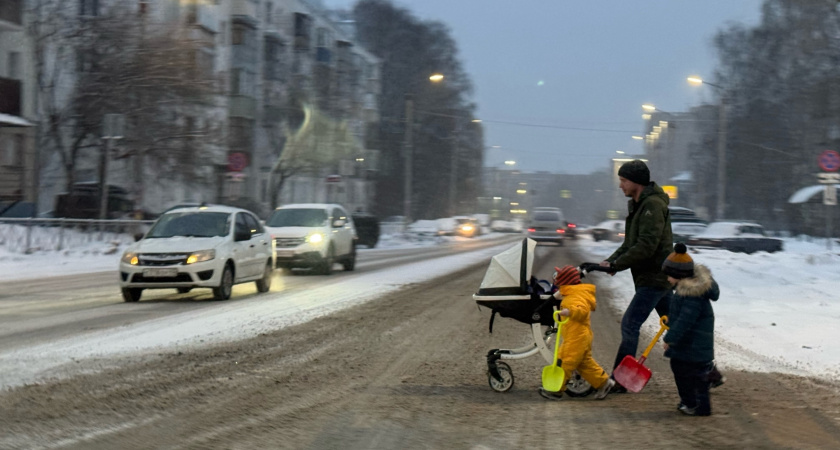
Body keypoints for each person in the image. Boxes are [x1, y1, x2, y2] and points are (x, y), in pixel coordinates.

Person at [599, 159, 673, 392]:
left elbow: (646, 246)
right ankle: (708, 372)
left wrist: (617, 265)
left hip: (655, 276)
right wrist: (610, 262)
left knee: (630, 324)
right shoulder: (639, 204)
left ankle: (620, 380)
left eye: (623, 180)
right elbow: (630, 243)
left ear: (636, 182)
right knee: (677, 324)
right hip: (654, 277)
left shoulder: (652, 206)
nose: (620, 185)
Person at [538, 265, 615, 401]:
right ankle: (604, 382)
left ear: (565, 281)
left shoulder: (575, 295)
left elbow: (582, 310)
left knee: (564, 362)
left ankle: (556, 390)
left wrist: (570, 311)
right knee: (584, 363)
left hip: (576, 337)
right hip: (578, 336)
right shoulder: (573, 292)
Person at [661, 243, 719, 416]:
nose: (667, 279)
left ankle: (695, 405)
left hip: (693, 346)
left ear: (678, 275)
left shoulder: (692, 295)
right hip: (690, 345)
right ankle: (692, 402)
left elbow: (685, 322)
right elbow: (681, 317)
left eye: (669, 275)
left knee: (690, 375)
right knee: (688, 372)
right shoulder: (685, 291)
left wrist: (669, 338)